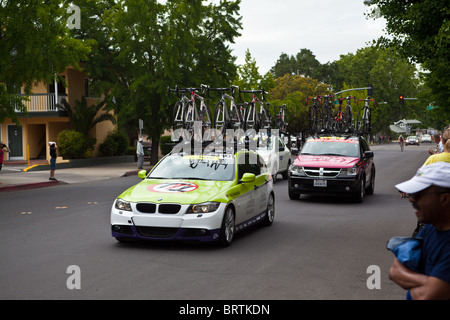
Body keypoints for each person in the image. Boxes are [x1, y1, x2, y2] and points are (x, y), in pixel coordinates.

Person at [390, 162, 450, 300]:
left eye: (418, 194)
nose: (411, 199)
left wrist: (422, 285)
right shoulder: (429, 230)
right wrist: (430, 283)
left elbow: (425, 296)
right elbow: (395, 271)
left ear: (445, 198)